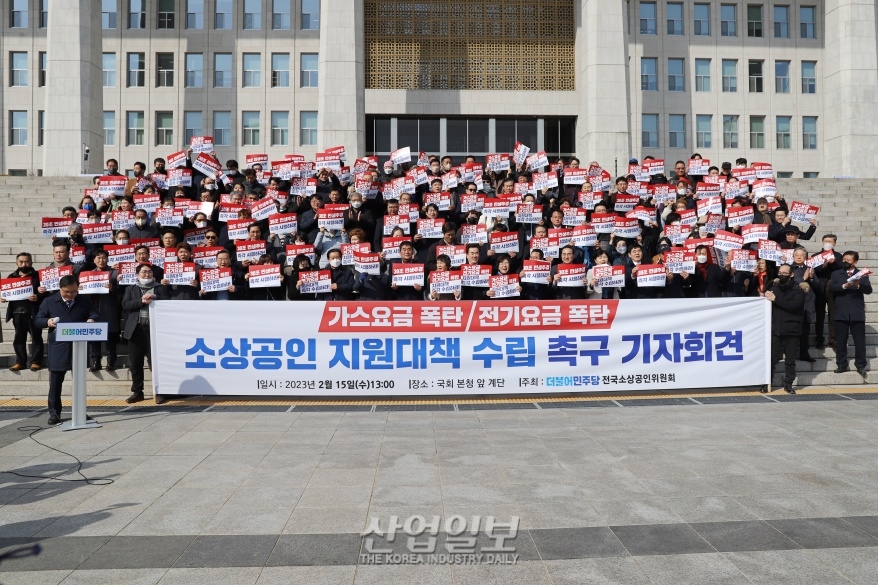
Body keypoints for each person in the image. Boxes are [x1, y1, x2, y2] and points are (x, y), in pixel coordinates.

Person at [34, 275, 99, 425]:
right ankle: (54, 413)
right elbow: (37, 320)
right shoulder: (49, 301)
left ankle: (80, 412)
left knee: (79, 382)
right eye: (66, 292)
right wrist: (47, 321)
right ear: (60, 288)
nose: (70, 295)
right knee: (55, 383)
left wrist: (92, 319)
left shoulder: (84, 300)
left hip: (79, 346)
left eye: (74, 292)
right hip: (59, 346)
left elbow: (95, 312)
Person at [121, 264, 170, 404]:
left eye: (149, 272)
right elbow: (125, 305)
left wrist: (155, 297)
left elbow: (167, 303)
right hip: (135, 330)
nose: (147, 274)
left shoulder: (160, 288)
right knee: (135, 362)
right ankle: (138, 392)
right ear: (137, 275)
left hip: (154, 330)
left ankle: (160, 391)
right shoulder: (131, 289)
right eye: (144, 272)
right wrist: (141, 301)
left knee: (155, 363)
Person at [830, 251, 872, 377]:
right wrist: (844, 286)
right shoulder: (836, 273)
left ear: (855, 262)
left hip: (856, 312)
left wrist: (859, 286)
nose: (845, 261)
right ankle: (841, 364)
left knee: (859, 341)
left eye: (848, 260)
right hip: (841, 312)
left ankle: (860, 365)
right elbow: (832, 288)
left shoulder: (862, 274)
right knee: (841, 341)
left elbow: (869, 290)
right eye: (844, 259)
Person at [766, 264, 805, 394]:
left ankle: (788, 383)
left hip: (792, 329)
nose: (782, 275)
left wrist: (776, 299)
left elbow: (793, 306)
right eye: (780, 273)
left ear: (791, 274)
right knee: (771, 358)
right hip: (776, 328)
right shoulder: (774, 288)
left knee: (790, 360)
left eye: (785, 273)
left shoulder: (798, 290)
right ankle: (767, 382)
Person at [2, 252, 44, 371]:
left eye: (26, 261)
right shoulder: (11, 277)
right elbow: (7, 293)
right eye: (21, 262)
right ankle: (20, 362)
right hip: (17, 312)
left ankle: (36, 361)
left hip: (33, 312)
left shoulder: (38, 276)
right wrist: (4, 298)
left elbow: (46, 293)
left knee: (36, 337)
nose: (24, 264)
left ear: (31, 262)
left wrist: (38, 296)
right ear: (17, 263)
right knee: (19, 338)